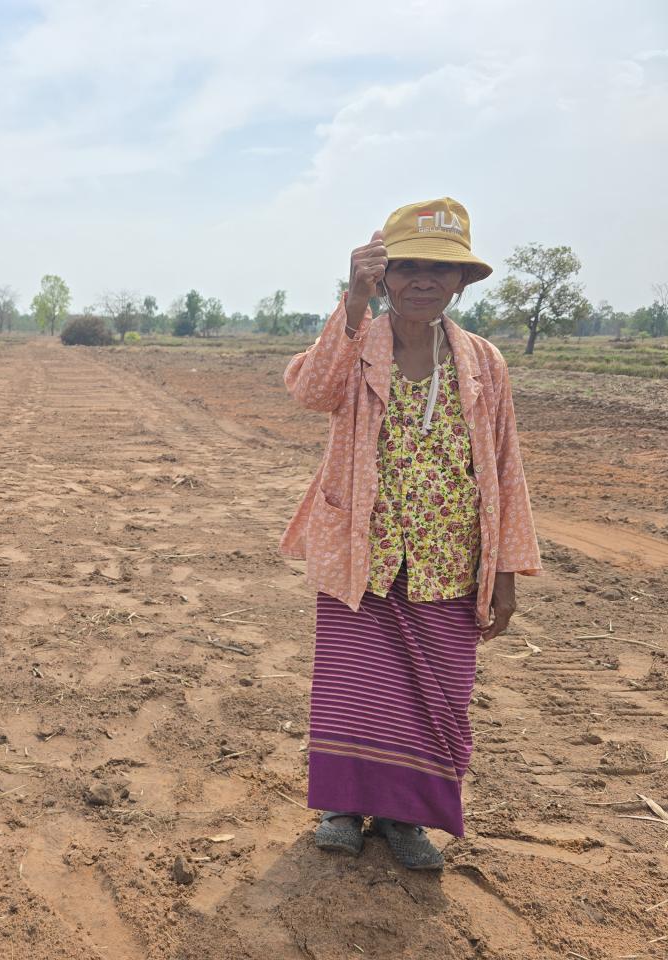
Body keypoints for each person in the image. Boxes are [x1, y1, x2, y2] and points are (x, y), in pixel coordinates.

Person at [280, 197, 541, 871]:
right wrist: (353, 302)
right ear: (384, 274)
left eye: (441, 268)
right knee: (354, 688)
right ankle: (342, 807)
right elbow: (310, 391)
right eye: (408, 266)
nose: (423, 280)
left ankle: (405, 818)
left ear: (462, 282)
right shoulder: (356, 338)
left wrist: (505, 573)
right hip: (362, 556)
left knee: (439, 696)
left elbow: (506, 470)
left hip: (450, 562)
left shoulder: (484, 363)